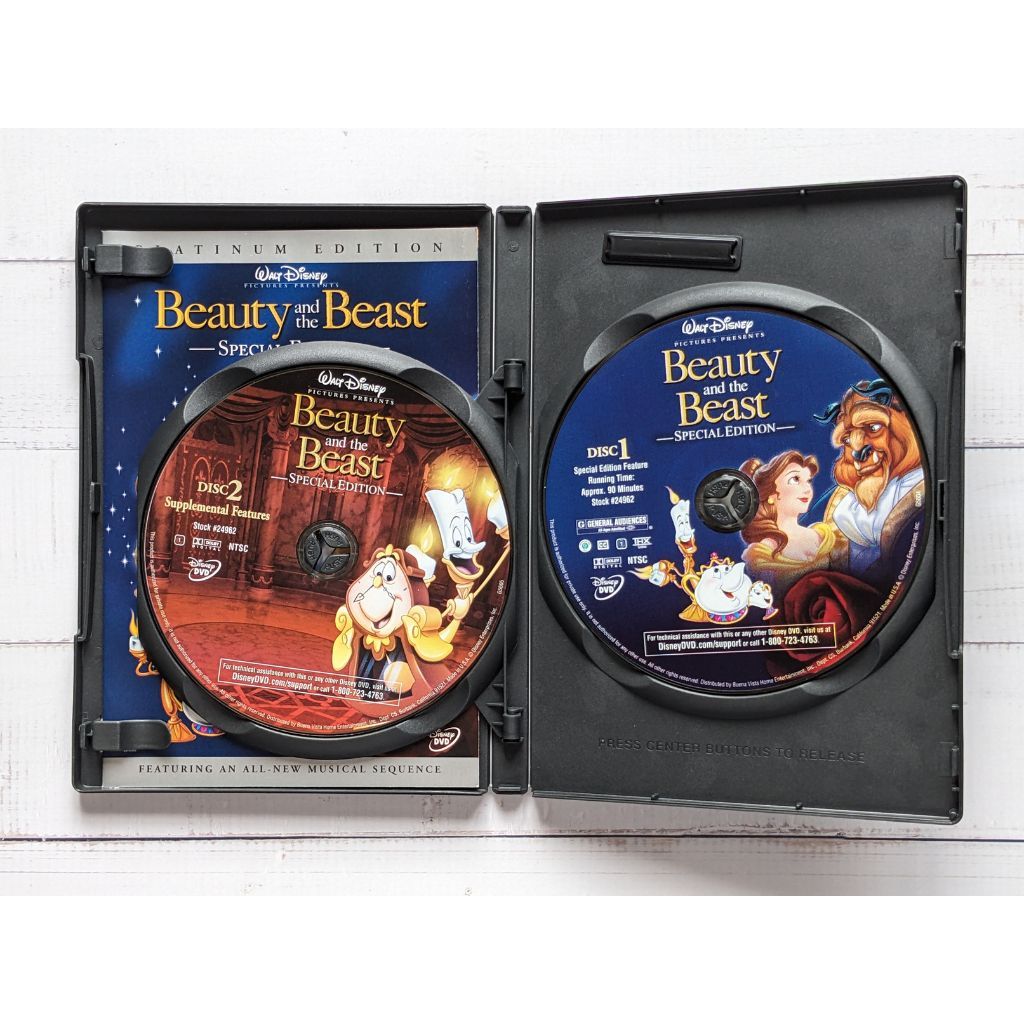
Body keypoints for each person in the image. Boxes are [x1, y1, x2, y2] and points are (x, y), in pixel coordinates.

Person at [740, 451, 846, 592]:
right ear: (771, 494)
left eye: (808, 481)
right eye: (795, 479)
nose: (807, 489)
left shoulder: (822, 536)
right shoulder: (764, 552)